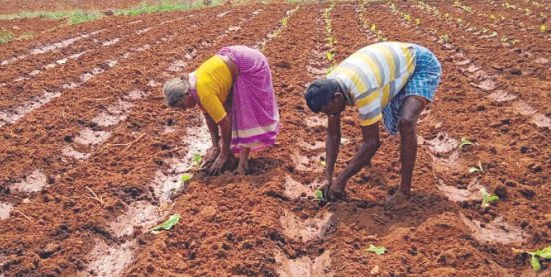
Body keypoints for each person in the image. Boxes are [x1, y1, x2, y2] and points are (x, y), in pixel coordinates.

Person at [304, 42, 442, 208]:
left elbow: (372, 142)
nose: (329, 116)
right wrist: (328, 177)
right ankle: (363, 162)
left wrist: (341, 180)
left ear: (337, 98)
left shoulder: (363, 90)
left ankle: (404, 192)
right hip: (389, 68)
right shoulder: (331, 86)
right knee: (389, 117)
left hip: (419, 63)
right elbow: (333, 135)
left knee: (406, 122)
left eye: (329, 111)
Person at [164, 45, 279, 175]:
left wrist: (223, 155)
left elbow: (225, 123)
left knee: (245, 113)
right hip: (236, 60)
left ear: (187, 94)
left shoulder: (203, 92)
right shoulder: (192, 86)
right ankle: (232, 153)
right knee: (230, 109)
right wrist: (215, 148)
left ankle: (243, 162)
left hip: (250, 65)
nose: (184, 110)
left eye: (182, 106)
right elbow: (209, 117)